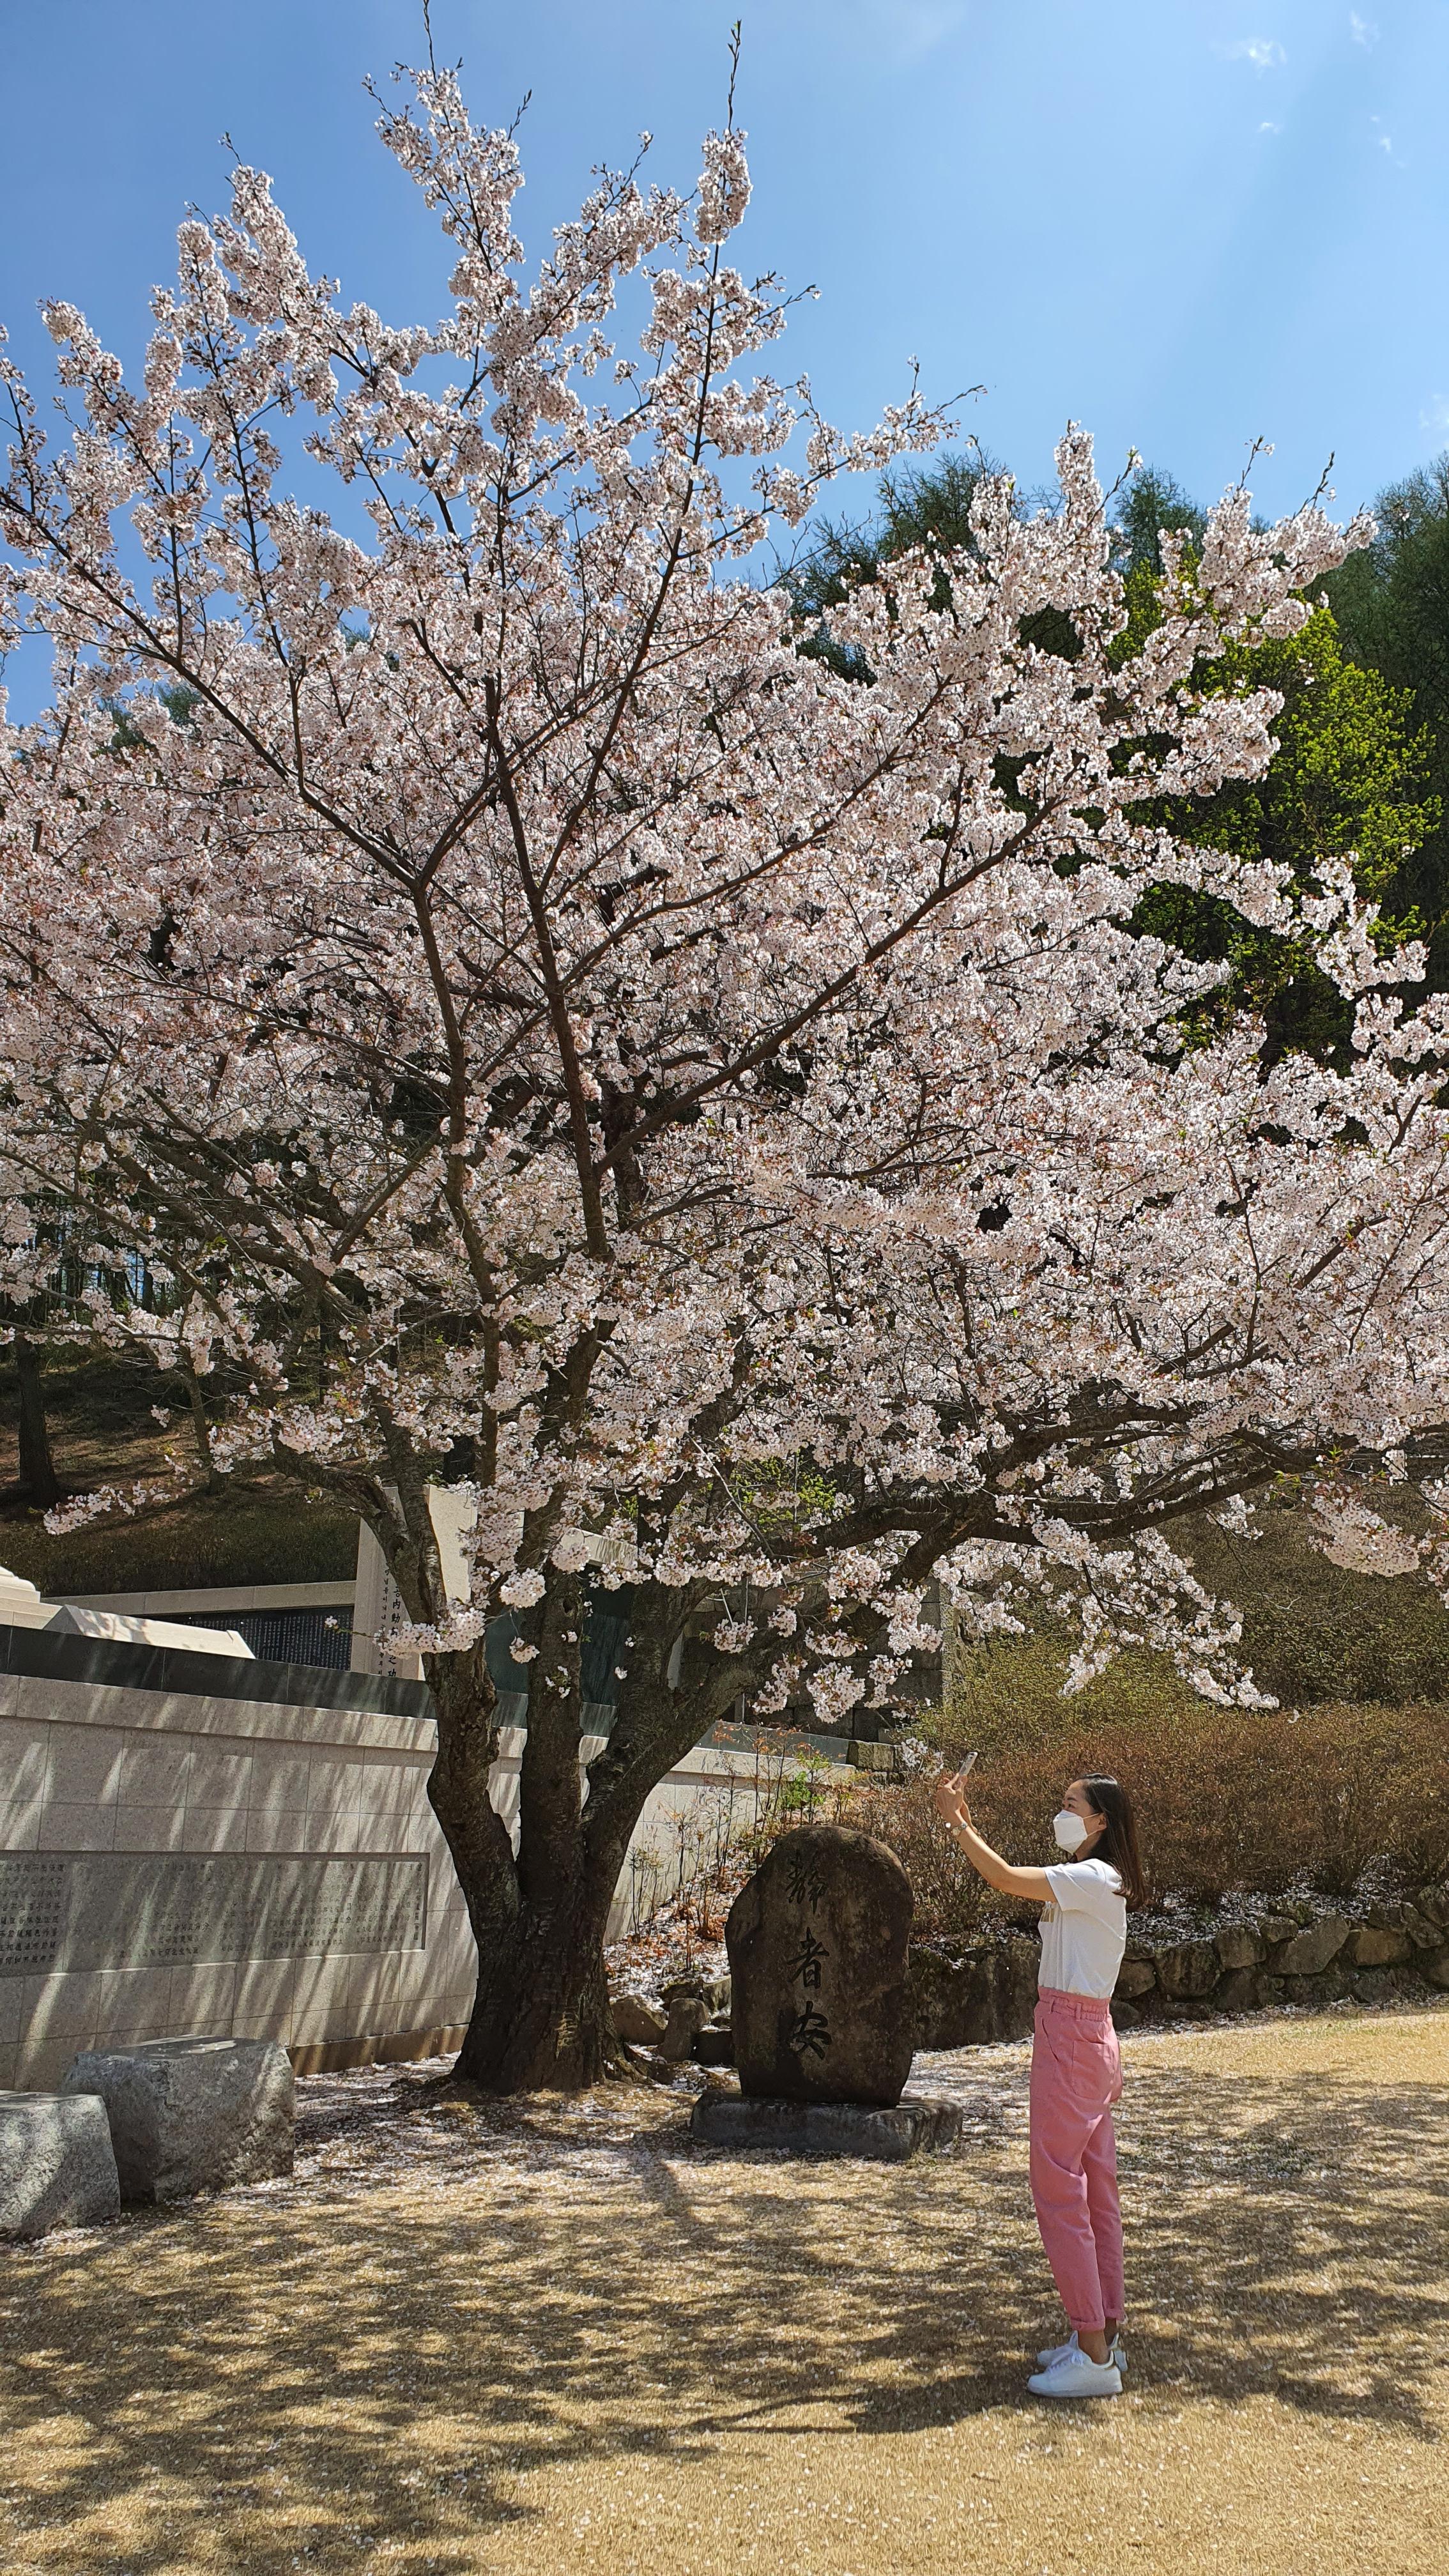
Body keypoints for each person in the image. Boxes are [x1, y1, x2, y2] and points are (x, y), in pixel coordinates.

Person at [932, 1765, 1147, 2400]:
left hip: (1072, 2040)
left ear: (1099, 1820)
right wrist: (965, 1821)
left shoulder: (1092, 1878)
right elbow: (1013, 1878)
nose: (1061, 1812)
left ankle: (1094, 2356)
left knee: (1059, 2191)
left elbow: (1002, 1877)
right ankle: (1101, 2335)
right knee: (1095, 2191)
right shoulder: (1096, 1878)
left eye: (1070, 1805)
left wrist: (957, 1824)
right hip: (1086, 2036)